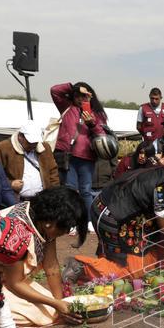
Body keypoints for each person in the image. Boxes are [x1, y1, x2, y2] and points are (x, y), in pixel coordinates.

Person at [77, 162, 164, 281]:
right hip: (113, 217)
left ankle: (102, 267)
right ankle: (82, 268)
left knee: (148, 254)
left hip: (103, 208)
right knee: (134, 271)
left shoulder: (160, 172)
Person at [0, 186, 87, 328]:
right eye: (65, 228)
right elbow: (14, 283)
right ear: (50, 222)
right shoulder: (16, 229)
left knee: (53, 310)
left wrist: (59, 302)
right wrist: (56, 304)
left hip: (15, 279)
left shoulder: (44, 223)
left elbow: (51, 267)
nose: (66, 232)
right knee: (44, 317)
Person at [50, 81, 109, 223]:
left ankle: (88, 221)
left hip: (87, 156)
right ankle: (71, 221)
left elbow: (102, 134)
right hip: (67, 155)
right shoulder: (67, 106)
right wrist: (73, 87)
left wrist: (92, 124)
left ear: (91, 96)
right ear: (73, 95)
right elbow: (54, 90)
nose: (82, 98)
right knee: (69, 190)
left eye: (85, 95)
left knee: (85, 191)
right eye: (79, 95)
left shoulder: (98, 114)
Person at [0, 121, 59, 201]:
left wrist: (55, 194)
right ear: (20, 136)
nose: (33, 145)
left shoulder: (45, 148)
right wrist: (10, 184)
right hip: (15, 201)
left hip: (42, 200)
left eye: (36, 142)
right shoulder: (2, 148)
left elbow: (53, 172)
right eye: (30, 142)